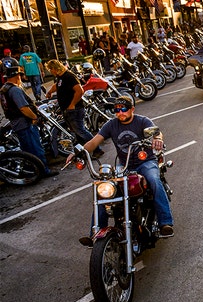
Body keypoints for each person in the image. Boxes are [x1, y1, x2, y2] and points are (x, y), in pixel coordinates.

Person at [70, 95, 174, 246]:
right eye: (116, 110)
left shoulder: (142, 121)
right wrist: (77, 153)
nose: (120, 113)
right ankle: (96, 232)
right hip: (124, 166)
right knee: (104, 191)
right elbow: (94, 142)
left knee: (153, 180)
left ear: (132, 109)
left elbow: (156, 132)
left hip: (145, 162)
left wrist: (157, 138)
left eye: (123, 109)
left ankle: (165, 222)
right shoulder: (111, 125)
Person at [0, 67, 58, 177]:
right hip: (25, 122)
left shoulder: (4, 89)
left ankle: (33, 169)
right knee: (35, 147)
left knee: (27, 148)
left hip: (17, 123)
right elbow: (23, 108)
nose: (22, 78)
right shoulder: (15, 90)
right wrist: (34, 117)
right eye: (20, 75)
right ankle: (43, 170)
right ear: (17, 76)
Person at [44, 59, 104, 159]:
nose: (51, 72)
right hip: (68, 109)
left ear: (55, 68)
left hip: (74, 110)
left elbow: (79, 91)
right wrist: (50, 91)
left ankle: (97, 149)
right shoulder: (61, 77)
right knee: (78, 133)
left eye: (51, 69)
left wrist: (72, 104)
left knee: (81, 131)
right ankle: (83, 153)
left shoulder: (69, 76)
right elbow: (57, 85)